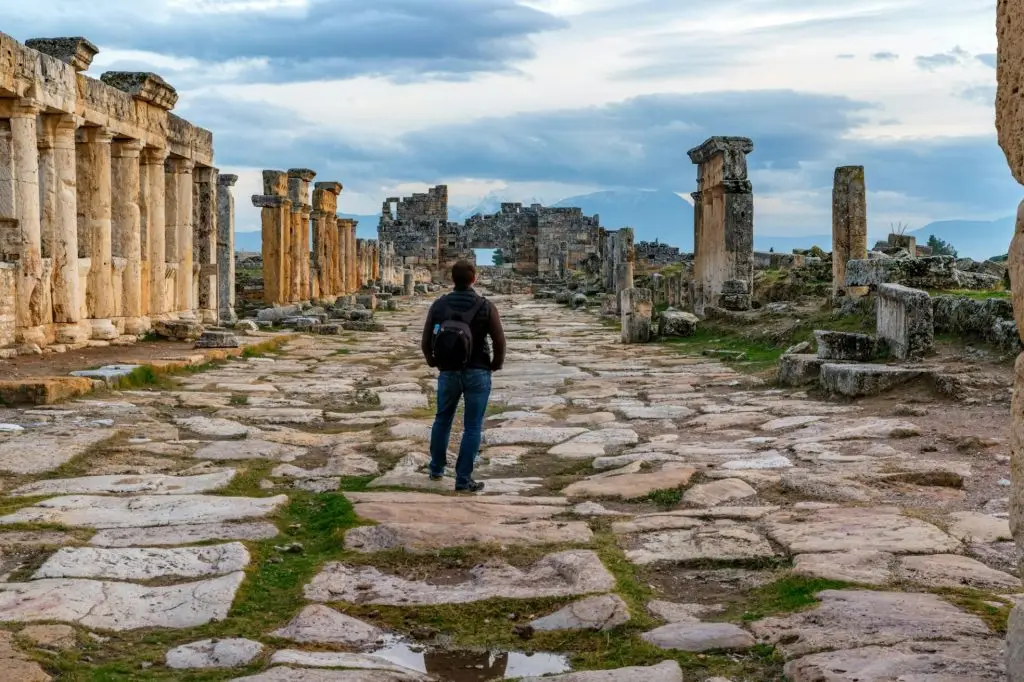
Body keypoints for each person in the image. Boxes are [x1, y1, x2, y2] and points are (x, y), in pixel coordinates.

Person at [420, 260, 506, 492]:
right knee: (472, 427)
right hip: (478, 371)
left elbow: (426, 339)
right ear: (474, 279)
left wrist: (433, 361)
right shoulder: (485, 306)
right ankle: (463, 478)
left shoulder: (439, 305)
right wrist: (494, 365)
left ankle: (436, 468)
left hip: (448, 371)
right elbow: (499, 341)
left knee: (442, 419)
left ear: (452, 280)